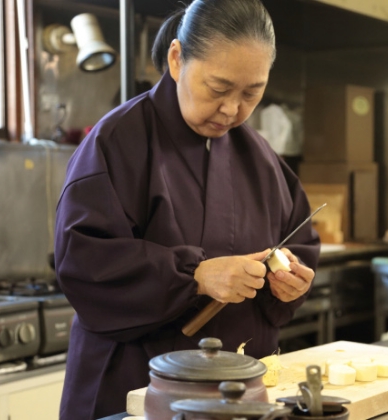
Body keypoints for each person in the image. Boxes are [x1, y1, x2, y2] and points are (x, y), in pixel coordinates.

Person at [53, 0, 320, 418]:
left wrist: (291, 282)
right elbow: (85, 262)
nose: (233, 109)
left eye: (252, 93)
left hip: (238, 394)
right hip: (135, 386)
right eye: (218, 88)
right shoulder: (117, 141)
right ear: (177, 59)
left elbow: (298, 242)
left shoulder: (261, 158)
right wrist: (193, 276)